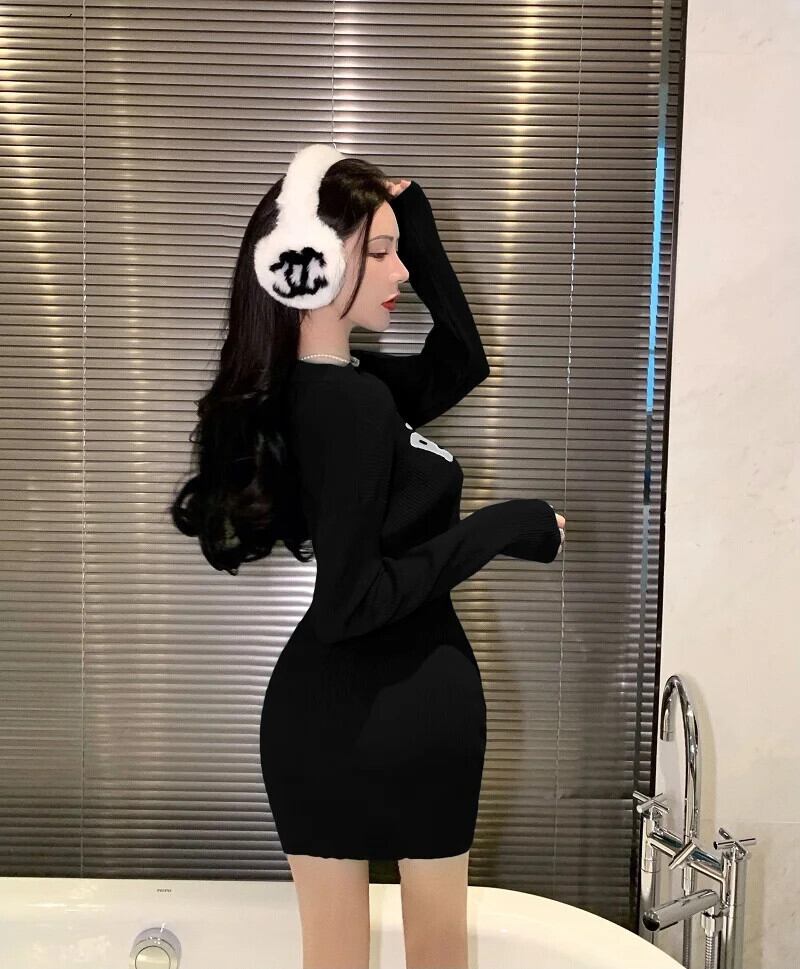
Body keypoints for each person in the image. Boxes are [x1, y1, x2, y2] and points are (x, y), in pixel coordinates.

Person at [171, 145, 566, 969]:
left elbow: (462, 359)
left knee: (336, 956)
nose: (401, 273)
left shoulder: (339, 388)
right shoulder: (346, 403)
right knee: (434, 953)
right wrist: (504, 527)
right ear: (309, 265)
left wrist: (414, 220)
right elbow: (353, 602)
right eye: (379, 253)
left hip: (346, 716)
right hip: (404, 711)